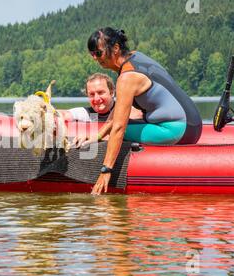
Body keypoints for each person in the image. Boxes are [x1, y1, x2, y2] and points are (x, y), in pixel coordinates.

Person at [74, 27, 202, 195]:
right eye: (92, 54)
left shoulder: (127, 78)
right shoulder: (136, 57)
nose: (95, 58)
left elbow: (119, 127)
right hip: (194, 125)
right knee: (113, 132)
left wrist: (106, 170)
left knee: (119, 132)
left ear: (116, 48)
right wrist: (98, 136)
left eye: (98, 53)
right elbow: (117, 112)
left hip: (176, 130)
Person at [58, 73, 143, 122]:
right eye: (91, 94)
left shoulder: (128, 111)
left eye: (100, 92)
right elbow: (64, 114)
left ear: (112, 92)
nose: (96, 99)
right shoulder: (87, 114)